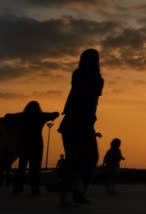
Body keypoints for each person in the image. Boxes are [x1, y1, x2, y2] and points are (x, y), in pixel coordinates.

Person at [58, 48, 104, 206]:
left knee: (75, 161)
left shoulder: (77, 74)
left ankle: (70, 195)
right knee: (88, 159)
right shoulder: (96, 79)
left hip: (73, 122)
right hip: (81, 123)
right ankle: (76, 193)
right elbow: (91, 102)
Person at [4, 100, 59, 195]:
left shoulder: (22, 116)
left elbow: (7, 116)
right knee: (35, 168)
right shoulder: (40, 116)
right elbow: (56, 114)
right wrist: (49, 115)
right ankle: (34, 188)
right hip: (37, 145)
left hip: (24, 144)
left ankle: (17, 187)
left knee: (22, 167)